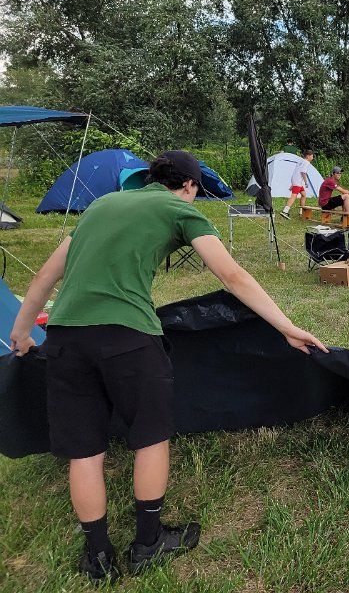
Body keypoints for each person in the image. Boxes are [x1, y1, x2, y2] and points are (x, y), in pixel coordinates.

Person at [8, 151, 327, 583]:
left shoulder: (101, 205)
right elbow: (232, 276)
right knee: (150, 437)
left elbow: (45, 276)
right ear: (190, 185)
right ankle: (148, 542)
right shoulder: (179, 208)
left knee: (85, 451)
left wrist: (23, 332)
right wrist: (287, 327)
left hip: (66, 338)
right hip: (128, 337)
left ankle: (97, 555)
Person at [280, 149, 314, 219]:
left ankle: (301, 212)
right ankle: (285, 211)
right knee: (294, 196)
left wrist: (293, 184)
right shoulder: (306, 162)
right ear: (308, 156)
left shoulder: (300, 161)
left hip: (296, 181)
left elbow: (296, 172)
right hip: (298, 182)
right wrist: (306, 182)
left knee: (303, 195)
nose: (312, 158)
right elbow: (303, 172)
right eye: (312, 156)